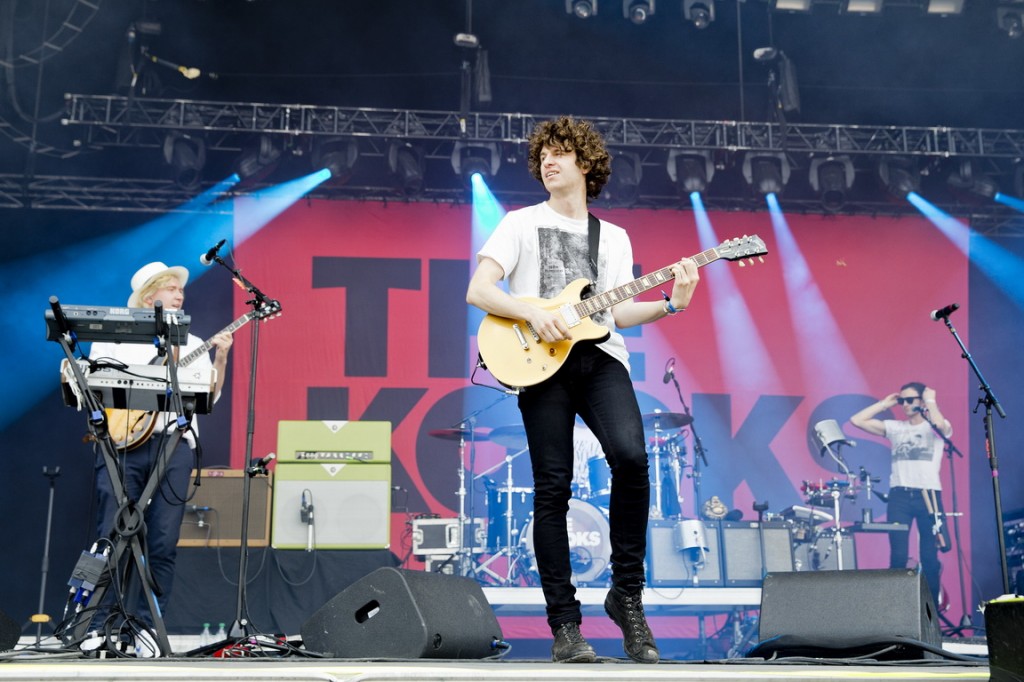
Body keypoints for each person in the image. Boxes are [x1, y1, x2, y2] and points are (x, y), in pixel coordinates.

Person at [466, 116, 700, 663]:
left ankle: (627, 596)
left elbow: (616, 311)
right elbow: (480, 288)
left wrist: (673, 303)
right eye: (542, 154)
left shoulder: (612, 236)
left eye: (560, 153)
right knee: (553, 488)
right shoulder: (520, 223)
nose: (548, 161)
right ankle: (565, 625)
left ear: (585, 164)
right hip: (539, 363)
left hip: (599, 358)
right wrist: (529, 311)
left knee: (632, 459)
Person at [88, 261, 233, 634]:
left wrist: (221, 357)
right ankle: (96, 625)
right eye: (171, 288)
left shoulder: (194, 343)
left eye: (180, 289)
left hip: (174, 445)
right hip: (123, 446)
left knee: (164, 542)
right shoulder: (113, 338)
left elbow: (208, 399)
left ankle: (145, 629)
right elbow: (94, 387)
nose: (179, 293)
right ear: (150, 295)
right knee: (111, 535)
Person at [849, 382, 950, 606]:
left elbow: (942, 426)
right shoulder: (896, 427)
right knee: (897, 556)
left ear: (922, 401)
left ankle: (932, 616)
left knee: (930, 558)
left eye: (910, 400)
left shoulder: (934, 427)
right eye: (902, 400)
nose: (905, 405)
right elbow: (857, 420)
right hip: (900, 496)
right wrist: (884, 404)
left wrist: (931, 400)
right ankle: (897, 612)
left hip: (928, 495)